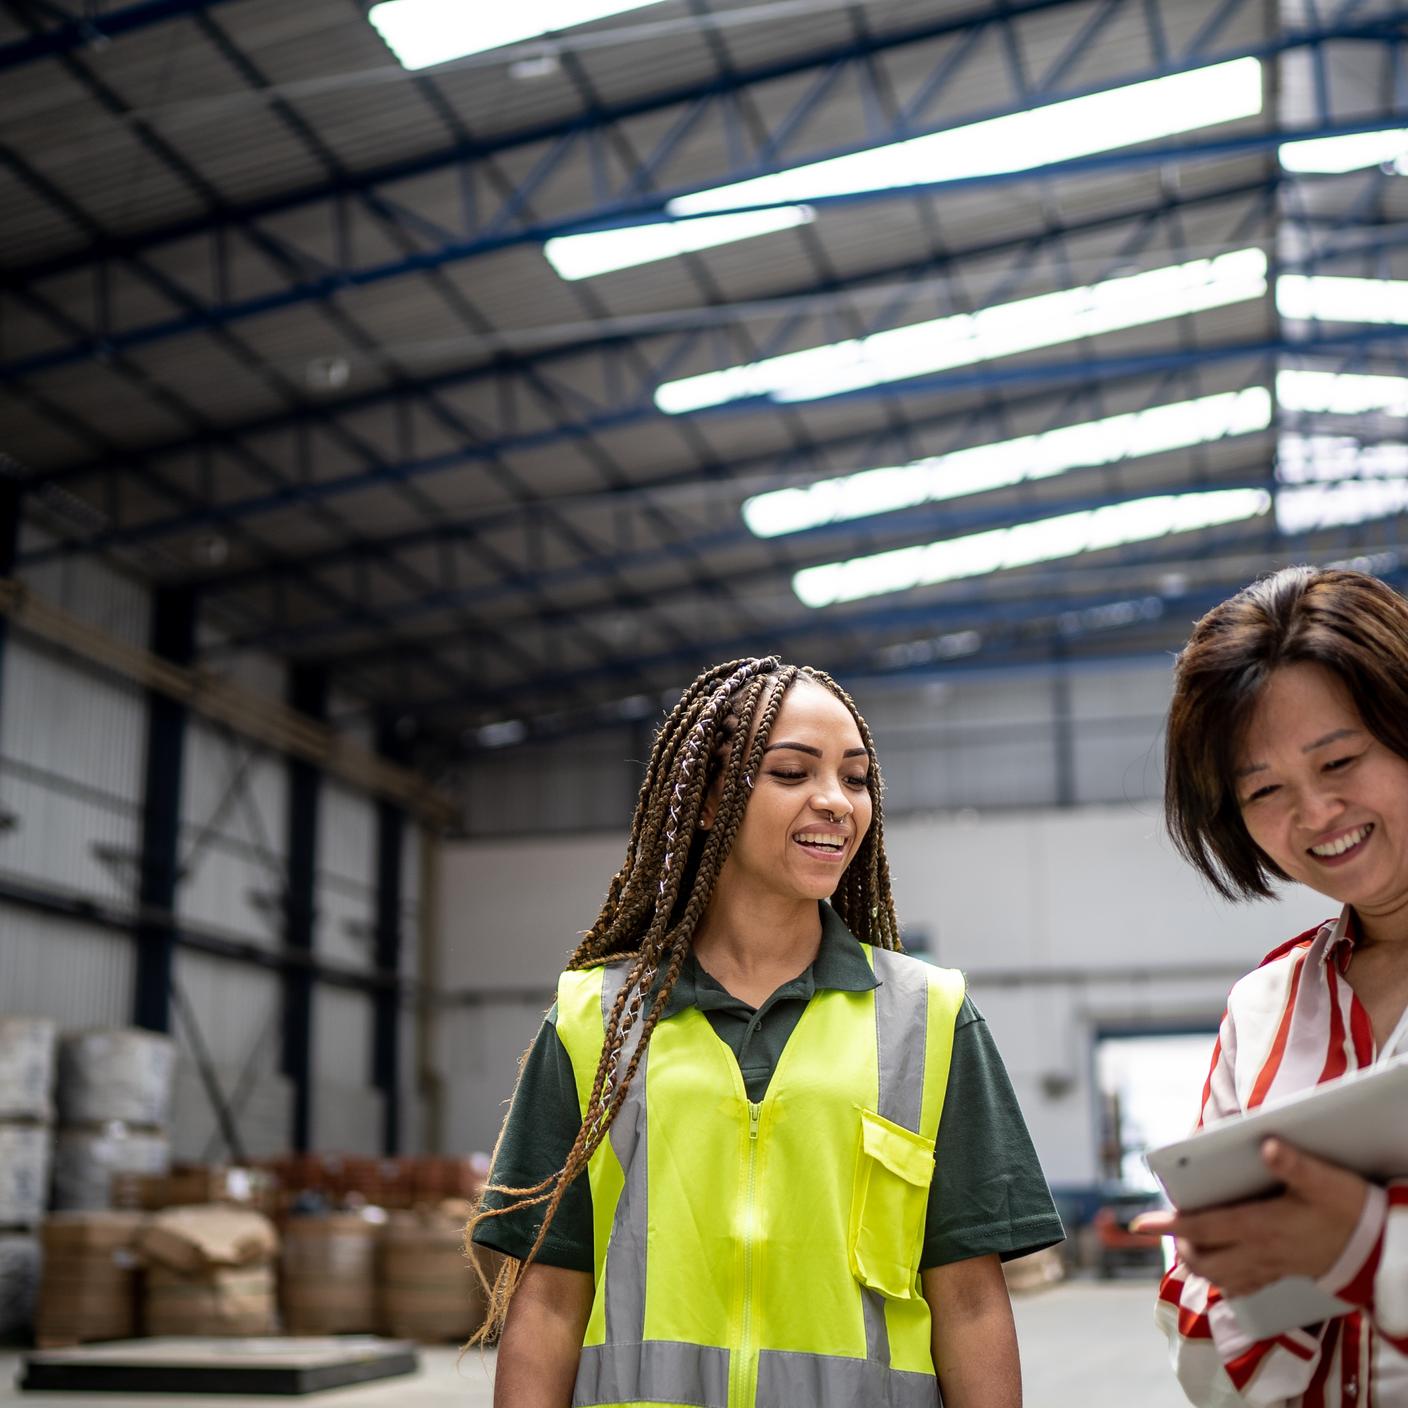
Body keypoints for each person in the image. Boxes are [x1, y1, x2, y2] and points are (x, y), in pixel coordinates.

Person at [468, 656, 1063, 1408]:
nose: (836, 802)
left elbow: (971, 1301)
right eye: (792, 773)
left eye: (855, 778)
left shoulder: (929, 1018)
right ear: (712, 798)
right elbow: (551, 1298)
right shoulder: (596, 1021)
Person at [1138, 566, 1408, 1406]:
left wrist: (1367, 1251)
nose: (1316, 813)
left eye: (1340, 759)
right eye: (1265, 791)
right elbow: (1195, 1307)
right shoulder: (1266, 1007)